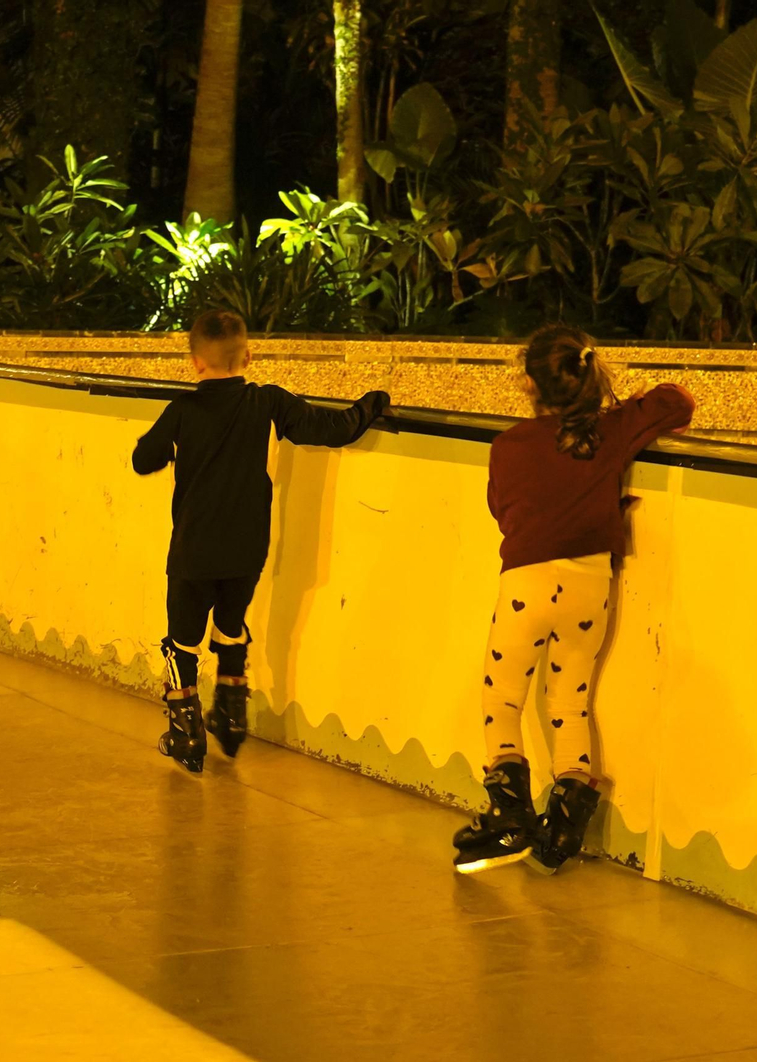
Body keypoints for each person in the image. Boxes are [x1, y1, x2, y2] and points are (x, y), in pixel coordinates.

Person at [453, 325, 694, 875]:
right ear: (587, 374)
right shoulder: (610, 432)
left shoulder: (509, 445)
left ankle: (509, 815)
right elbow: (678, 401)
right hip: (590, 588)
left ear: (528, 383)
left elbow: (501, 510)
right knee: (570, 702)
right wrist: (618, 406)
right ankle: (563, 824)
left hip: (526, 585)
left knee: (503, 698)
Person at [132, 310, 390, 774]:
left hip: (193, 550)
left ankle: (186, 734)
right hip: (247, 549)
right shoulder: (268, 402)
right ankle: (231, 718)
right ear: (248, 356)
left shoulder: (183, 410)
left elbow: (142, 459)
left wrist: (168, 447)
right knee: (231, 624)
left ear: (195, 362)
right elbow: (333, 428)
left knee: (182, 641)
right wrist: (373, 403)